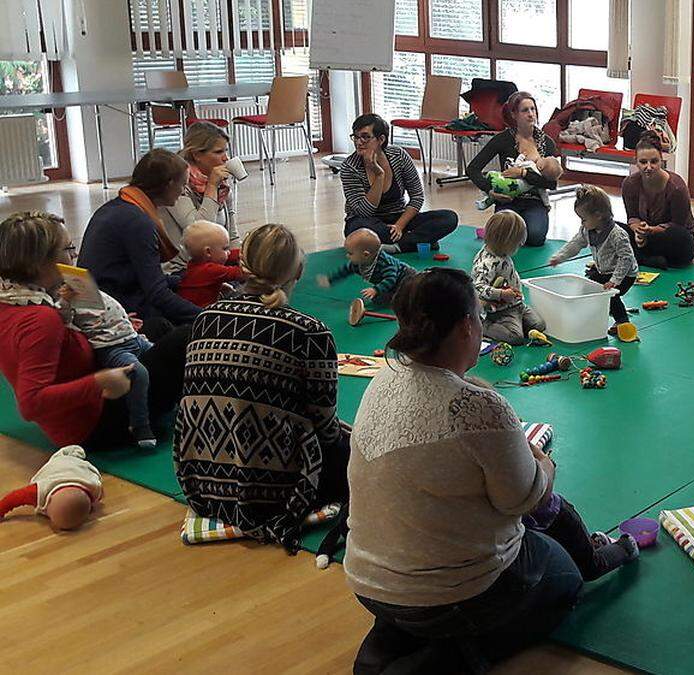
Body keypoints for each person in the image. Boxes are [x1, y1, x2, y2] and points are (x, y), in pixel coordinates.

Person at [344, 268, 582, 673]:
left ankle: (392, 639)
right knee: (565, 580)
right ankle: (447, 659)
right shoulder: (478, 406)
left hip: (367, 580)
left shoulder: (382, 379)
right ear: (467, 325)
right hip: (451, 591)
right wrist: (545, 464)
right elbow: (523, 500)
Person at [174, 224, 351, 548]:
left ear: (243, 267)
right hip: (278, 489)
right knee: (358, 451)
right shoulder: (309, 331)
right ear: (298, 269)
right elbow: (325, 427)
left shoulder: (205, 317)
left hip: (200, 481)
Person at [0, 211, 188, 449]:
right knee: (185, 337)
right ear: (39, 262)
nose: (74, 255)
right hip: (93, 424)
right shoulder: (41, 319)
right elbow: (31, 403)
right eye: (67, 249)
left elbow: (58, 349)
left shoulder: (15, 300)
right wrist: (99, 382)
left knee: (157, 326)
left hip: (79, 407)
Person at [77, 148, 200, 325]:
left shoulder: (118, 207)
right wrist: (209, 316)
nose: (183, 192)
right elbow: (158, 294)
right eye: (182, 185)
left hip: (105, 298)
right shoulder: (138, 222)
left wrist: (190, 279)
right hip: (120, 310)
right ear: (169, 184)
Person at [341, 113, 458, 252]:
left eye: (365, 137)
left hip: (398, 217)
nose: (359, 142)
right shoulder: (349, 167)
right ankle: (419, 241)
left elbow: (417, 197)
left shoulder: (399, 156)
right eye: (356, 136)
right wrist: (379, 175)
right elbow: (364, 211)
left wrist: (399, 226)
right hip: (367, 221)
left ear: (381, 139)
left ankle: (398, 246)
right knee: (359, 231)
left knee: (449, 218)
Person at [59, 285, 157, 448]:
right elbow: (63, 319)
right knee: (138, 373)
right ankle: (140, 424)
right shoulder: (62, 301)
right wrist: (65, 300)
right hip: (111, 347)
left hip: (132, 337)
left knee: (163, 351)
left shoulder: (87, 287)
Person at [467, 92, 564, 248]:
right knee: (505, 238)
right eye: (525, 110)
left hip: (534, 201)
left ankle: (515, 231)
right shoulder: (502, 139)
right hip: (508, 200)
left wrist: (523, 173)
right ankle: (503, 231)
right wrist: (490, 190)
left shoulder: (547, 143)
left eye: (533, 109)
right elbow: (472, 169)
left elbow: (552, 184)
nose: (531, 114)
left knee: (535, 237)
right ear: (514, 114)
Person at [549, 185, 639, 335]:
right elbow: (576, 243)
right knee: (588, 287)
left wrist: (615, 280)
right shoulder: (587, 230)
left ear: (598, 216)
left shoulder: (618, 235)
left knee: (610, 295)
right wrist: (559, 257)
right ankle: (592, 315)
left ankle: (622, 321)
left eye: (583, 219)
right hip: (603, 270)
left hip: (625, 275)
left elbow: (626, 258)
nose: (582, 223)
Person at [160, 122, 239, 274]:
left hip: (213, 261)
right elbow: (200, 231)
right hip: (182, 271)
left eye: (226, 151)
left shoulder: (222, 187)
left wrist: (243, 259)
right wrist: (211, 187)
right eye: (218, 152)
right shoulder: (177, 185)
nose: (225, 158)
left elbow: (232, 236)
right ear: (196, 155)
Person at [620, 133, 694, 268]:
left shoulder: (677, 187)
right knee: (610, 227)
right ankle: (649, 259)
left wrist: (650, 231)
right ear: (636, 161)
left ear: (661, 160)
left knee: (681, 239)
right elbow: (632, 217)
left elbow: (678, 225)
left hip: (669, 237)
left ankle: (639, 257)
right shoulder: (629, 184)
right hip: (644, 235)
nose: (648, 167)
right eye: (643, 162)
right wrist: (638, 231)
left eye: (654, 162)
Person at [472, 210, 546, 345]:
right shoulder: (487, 263)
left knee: (539, 325)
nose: (521, 245)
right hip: (500, 311)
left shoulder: (502, 253)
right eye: (517, 243)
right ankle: (482, 325)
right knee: (515, 337)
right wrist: (501, 294)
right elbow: (478, 288)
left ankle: (516, 323)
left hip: (517, 305)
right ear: (505, 241)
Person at [316, 228, 415, 308]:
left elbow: (390, 279)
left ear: (366, 255)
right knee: (378, 300)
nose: (347, 256)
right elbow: (344, 271)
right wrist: (330, 279)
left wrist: (375, 290)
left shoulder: (385, 263)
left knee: (407, 295)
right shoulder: (357, 263)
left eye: (350, 253)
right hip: (391, 284)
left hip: (406, 278)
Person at [177, 221, 244, 308]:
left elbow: (228, 256)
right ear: (208, 252)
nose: (228, 252)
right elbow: (241, 273)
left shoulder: (194, 264)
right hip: (200, 316)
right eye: (225, 248)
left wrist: (241, 254)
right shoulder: (210, 270)